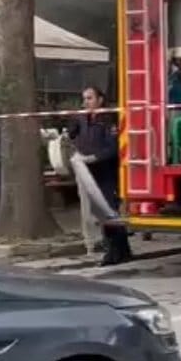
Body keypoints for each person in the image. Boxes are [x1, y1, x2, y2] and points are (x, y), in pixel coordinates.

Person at [68, 86, 130, 265]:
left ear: (100, 100)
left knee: (108, 210)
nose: (86, 102)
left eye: (90, 98)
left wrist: (94, 157)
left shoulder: (108, 119)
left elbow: (113, 147)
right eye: (84, 99)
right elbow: (73, 136)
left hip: (106, 170)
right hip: (88, 171)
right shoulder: (82, 118)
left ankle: (113, 251)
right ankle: (121, 250)